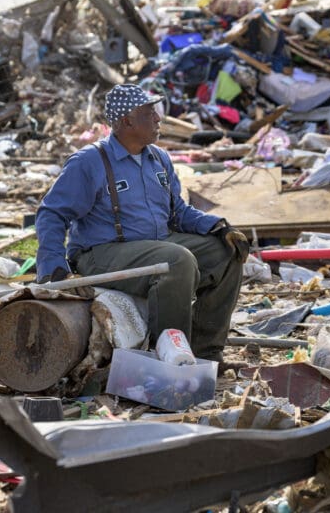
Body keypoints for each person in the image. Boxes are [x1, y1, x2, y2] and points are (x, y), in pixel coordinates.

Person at [35, 84, 249, 363]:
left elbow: (179, 213)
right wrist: (54, 268)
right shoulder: (89, 162)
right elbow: (52, 213)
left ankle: (206, 352)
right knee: (176, 260)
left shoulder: (158, 158)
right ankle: (166, 358)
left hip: (156, 243)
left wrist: (219, 227)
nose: (159, 119)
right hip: (102, 252)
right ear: (127, 121)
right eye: (149, 113)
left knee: (226, 254)